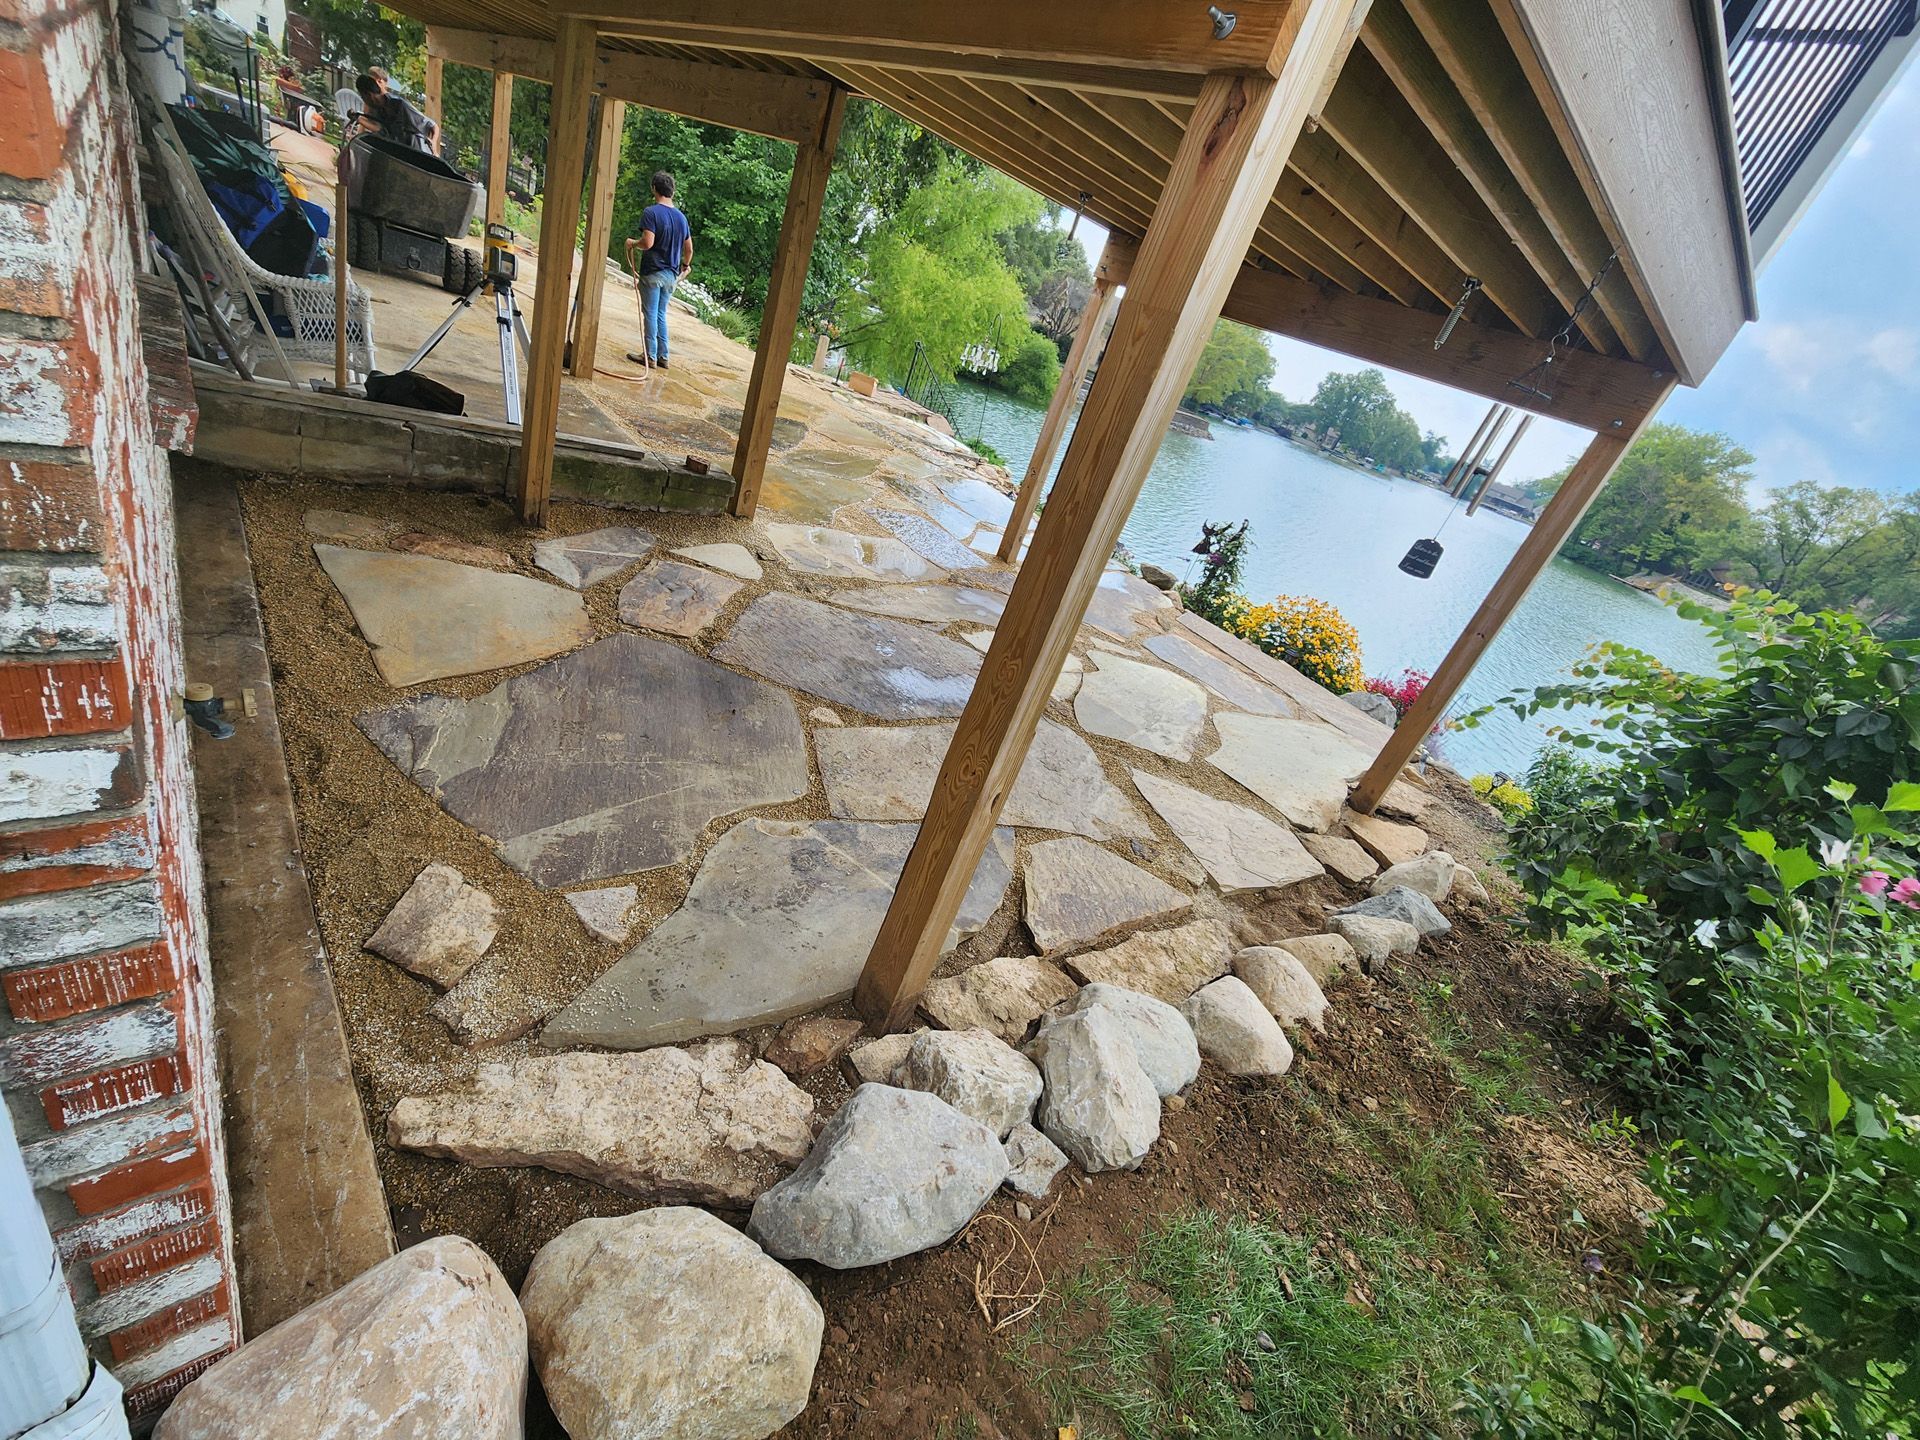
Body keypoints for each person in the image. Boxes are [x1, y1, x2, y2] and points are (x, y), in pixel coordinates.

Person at [624, 171, 692, 370]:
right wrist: (685, 266)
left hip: (653, 272)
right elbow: (689, 250)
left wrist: (632, 243)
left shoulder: (651, 212)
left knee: (651, 313)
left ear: (654, 188)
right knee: (661, 313)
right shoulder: (682, 218)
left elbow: (647, 242)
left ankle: (650, 357)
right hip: (671, 275)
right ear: (672, 191)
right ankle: (664, 356)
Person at [352, 72, 436, 153]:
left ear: (369, 95)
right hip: (399, 152)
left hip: (417, 151)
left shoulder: (400, 105)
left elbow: (432, 125)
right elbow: (382, 130)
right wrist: (359, 119)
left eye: (363, 97)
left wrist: (434, 146)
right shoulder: (376, 110)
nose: (364, 101)